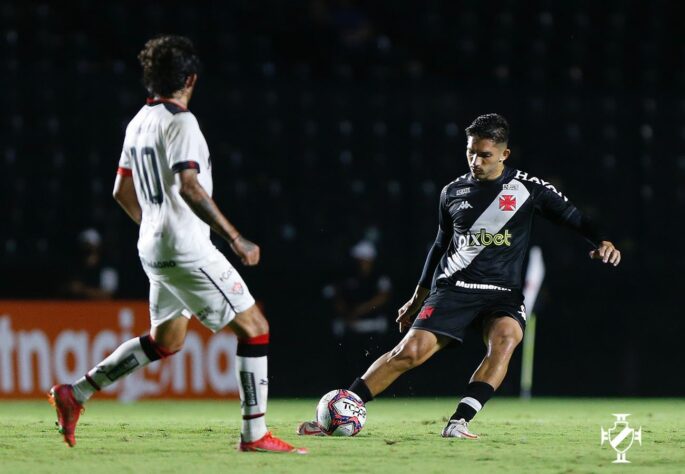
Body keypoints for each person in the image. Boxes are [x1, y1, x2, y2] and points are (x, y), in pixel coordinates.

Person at [49, 35, 306, 454]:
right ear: (190, 78)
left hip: (151, 247)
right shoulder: (181, 122)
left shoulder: (137, 122)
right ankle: (254, 434)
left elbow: (120, 191)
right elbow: (189, 186)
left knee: (166, 340)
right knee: (255, 328)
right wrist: (236, 238)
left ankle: (75, 393)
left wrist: (152, 223)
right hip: (187, 248)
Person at [299, 113, 621, 438]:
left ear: (504, 154)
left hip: (502, 294)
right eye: (470, 152)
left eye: (485, 155)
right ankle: (342, 409)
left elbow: (576, 218)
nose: (475, 161)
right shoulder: (452, 192)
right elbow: (440, 247)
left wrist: (602, 242)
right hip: (454, 288)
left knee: (507, 338)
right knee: (410, 352)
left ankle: (459, 421)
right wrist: (416, 299)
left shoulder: (528, 188)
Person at [327, 240, 392, 381]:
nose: (359, 262)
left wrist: (358, 311)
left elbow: (382, 298)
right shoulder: (347, 276)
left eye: (361, 259)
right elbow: (337, 297)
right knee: (350, 364)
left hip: (373, 327)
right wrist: (346, 313)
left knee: (374, 363)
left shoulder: (378, 277)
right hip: (350, 326)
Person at [63, 228, 119, 299]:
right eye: (84, 245)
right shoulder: (75, 267)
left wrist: (82, 290)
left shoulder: (107, 268)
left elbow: (107, 295)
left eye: (90, 246)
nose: (87, 249)